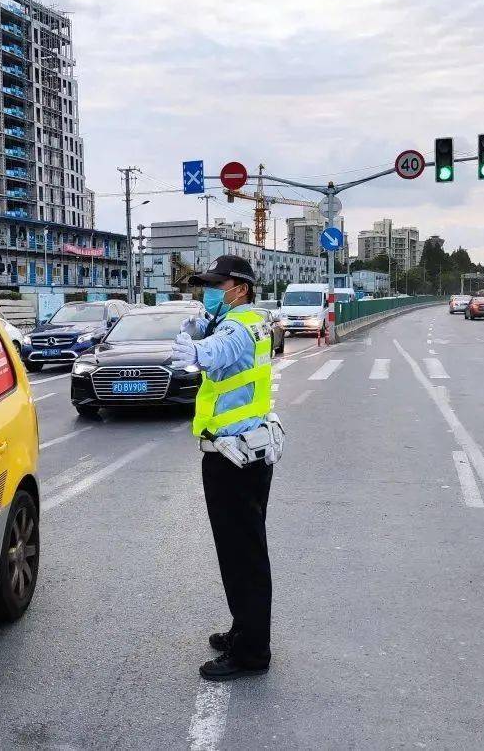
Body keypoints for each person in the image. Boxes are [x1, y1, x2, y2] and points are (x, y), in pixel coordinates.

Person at [171, 254, 283, 681]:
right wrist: (204, 332)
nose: (209, 291)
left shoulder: (237, 326)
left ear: (240, 288)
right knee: (241, 553)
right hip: (243, 451)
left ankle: (252, 653)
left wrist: (197, 348)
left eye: (217, 285)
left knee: (243, 557)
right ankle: (244, 629)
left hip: (234, 459)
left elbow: (219, 352)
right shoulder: (247, 320)